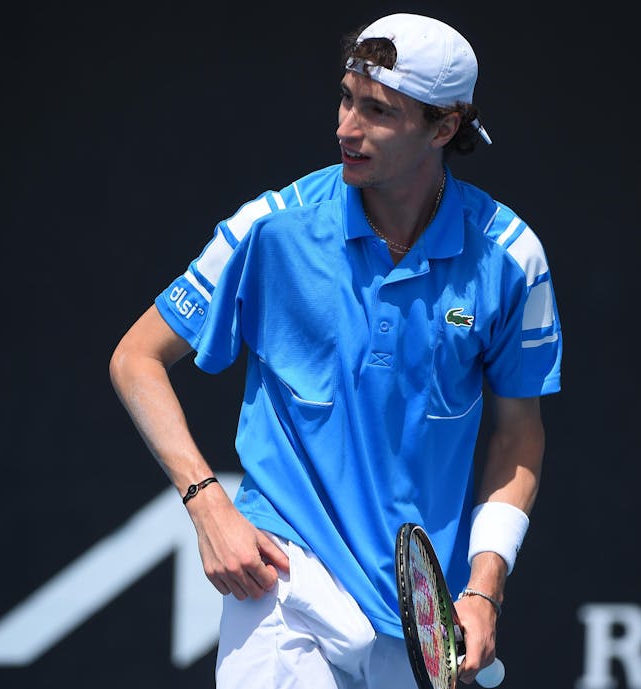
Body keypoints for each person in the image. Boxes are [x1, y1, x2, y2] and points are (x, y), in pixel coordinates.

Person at [109, 12, 561, 688]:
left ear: (444, 128)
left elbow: (517, 436)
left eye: (378, 111)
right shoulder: (269, 229)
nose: (347, 127)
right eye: (347, 99)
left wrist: (484, 586)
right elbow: (135, 358)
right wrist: (207, 503)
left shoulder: (513, 257)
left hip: (415, 617)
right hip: (284, 579)